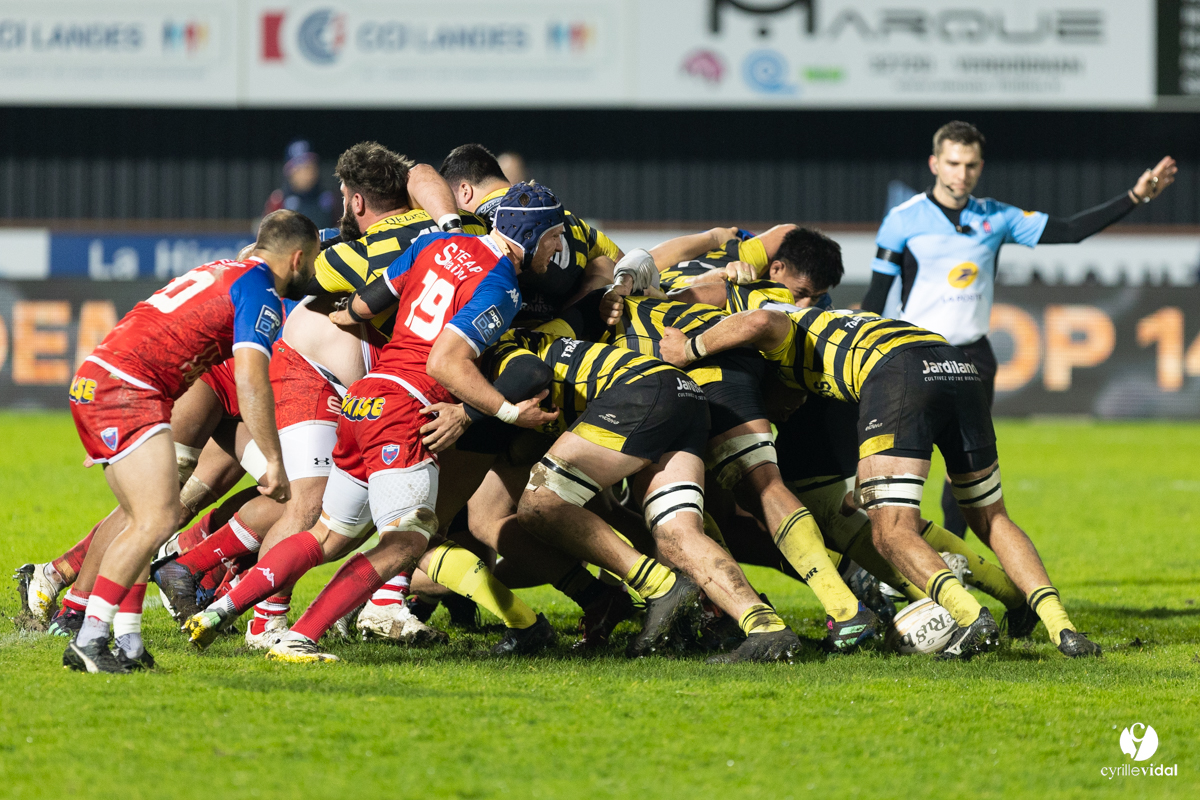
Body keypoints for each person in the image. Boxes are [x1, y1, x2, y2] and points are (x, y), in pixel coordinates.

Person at [658, 249, 1102, 660]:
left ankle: (970, 618)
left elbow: (759, 324)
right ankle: (1059, 626)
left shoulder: (779, 319)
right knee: (991, 515)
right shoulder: (835, 317)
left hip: (898, 374)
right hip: (952, 361)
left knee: (890, 531)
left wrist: (690, 349)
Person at [242, 182, 563, 664]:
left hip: (365, 397)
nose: (558, 249)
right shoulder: (502, 284)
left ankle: (231, 609)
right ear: (534, 234)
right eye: (554, 237)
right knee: (405, 542)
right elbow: (445, 364)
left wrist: (351, 315)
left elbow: (363, 306)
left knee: (327, 534)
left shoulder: (433, 240)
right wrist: (510, 411)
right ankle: (304, 633)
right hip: (405, 407)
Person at [861, 120, 1177, 535]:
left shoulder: (998, 217)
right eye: (954, 163)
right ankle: (885, 568)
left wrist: (1135, 197)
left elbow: (1069, 231)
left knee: (967, 474)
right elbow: (875, 295)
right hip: (913, 358)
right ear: (935, 163)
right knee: (898, 468)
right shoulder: (903, 220)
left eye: (971, 164)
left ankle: (953, 563)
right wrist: (864, 352)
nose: (962, 173)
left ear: (980, 166)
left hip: (972, 357)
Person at [62, 210, 318, 674]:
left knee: (145, 521)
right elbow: (250, 380)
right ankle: (90, 638)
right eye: (314, 261)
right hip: (127, 390)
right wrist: (274, 462)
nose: (314, 271)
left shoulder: (221, 269)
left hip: (106, 380)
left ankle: (129, 642)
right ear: (297, 258)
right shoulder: (258, 291)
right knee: (157, 519)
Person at [439, 143, 623, 321]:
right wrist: (593, 287)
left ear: (465, 191)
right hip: (569, 329)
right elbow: (623, 265)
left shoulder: (473, 225)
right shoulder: (570, 220)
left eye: (450, 200)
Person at [263, 139, 338, 226]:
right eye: (300, 168)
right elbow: (268, 235)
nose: (306, 173)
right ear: (290, 172)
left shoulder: (330, 198)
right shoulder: (278, 200)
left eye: (310, 166)